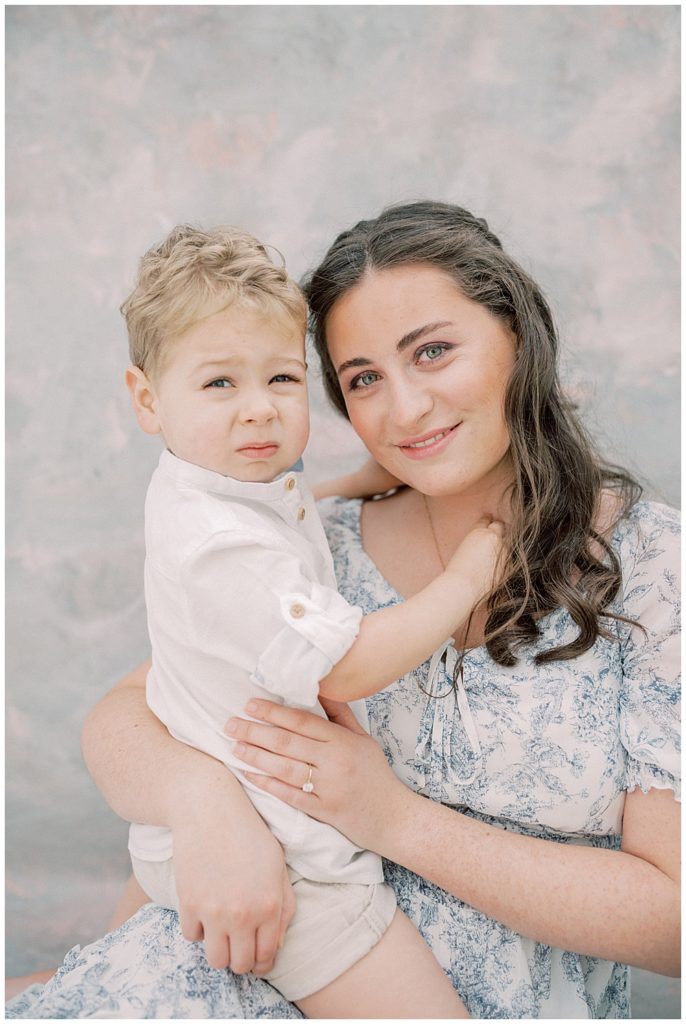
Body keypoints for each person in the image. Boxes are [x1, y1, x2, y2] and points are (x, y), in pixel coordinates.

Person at [7, 201, 679, 1020]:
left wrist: (394, 820)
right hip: (232, 969)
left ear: (519, 337)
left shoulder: (651, 566)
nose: (404, 410)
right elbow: (128, 713)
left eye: (432, 352)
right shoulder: (316, 546)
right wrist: (200, 799)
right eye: (363, 378)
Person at [117, 222, 505, 1017]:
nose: (258, 412)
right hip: (290, 865)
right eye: (220, 384)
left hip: (247, 834)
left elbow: (279, 520)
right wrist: (466, 577)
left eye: (283, 381)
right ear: (148, 400)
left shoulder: (215, 489)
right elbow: (348, 663)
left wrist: (365, 475)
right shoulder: (220, 546)